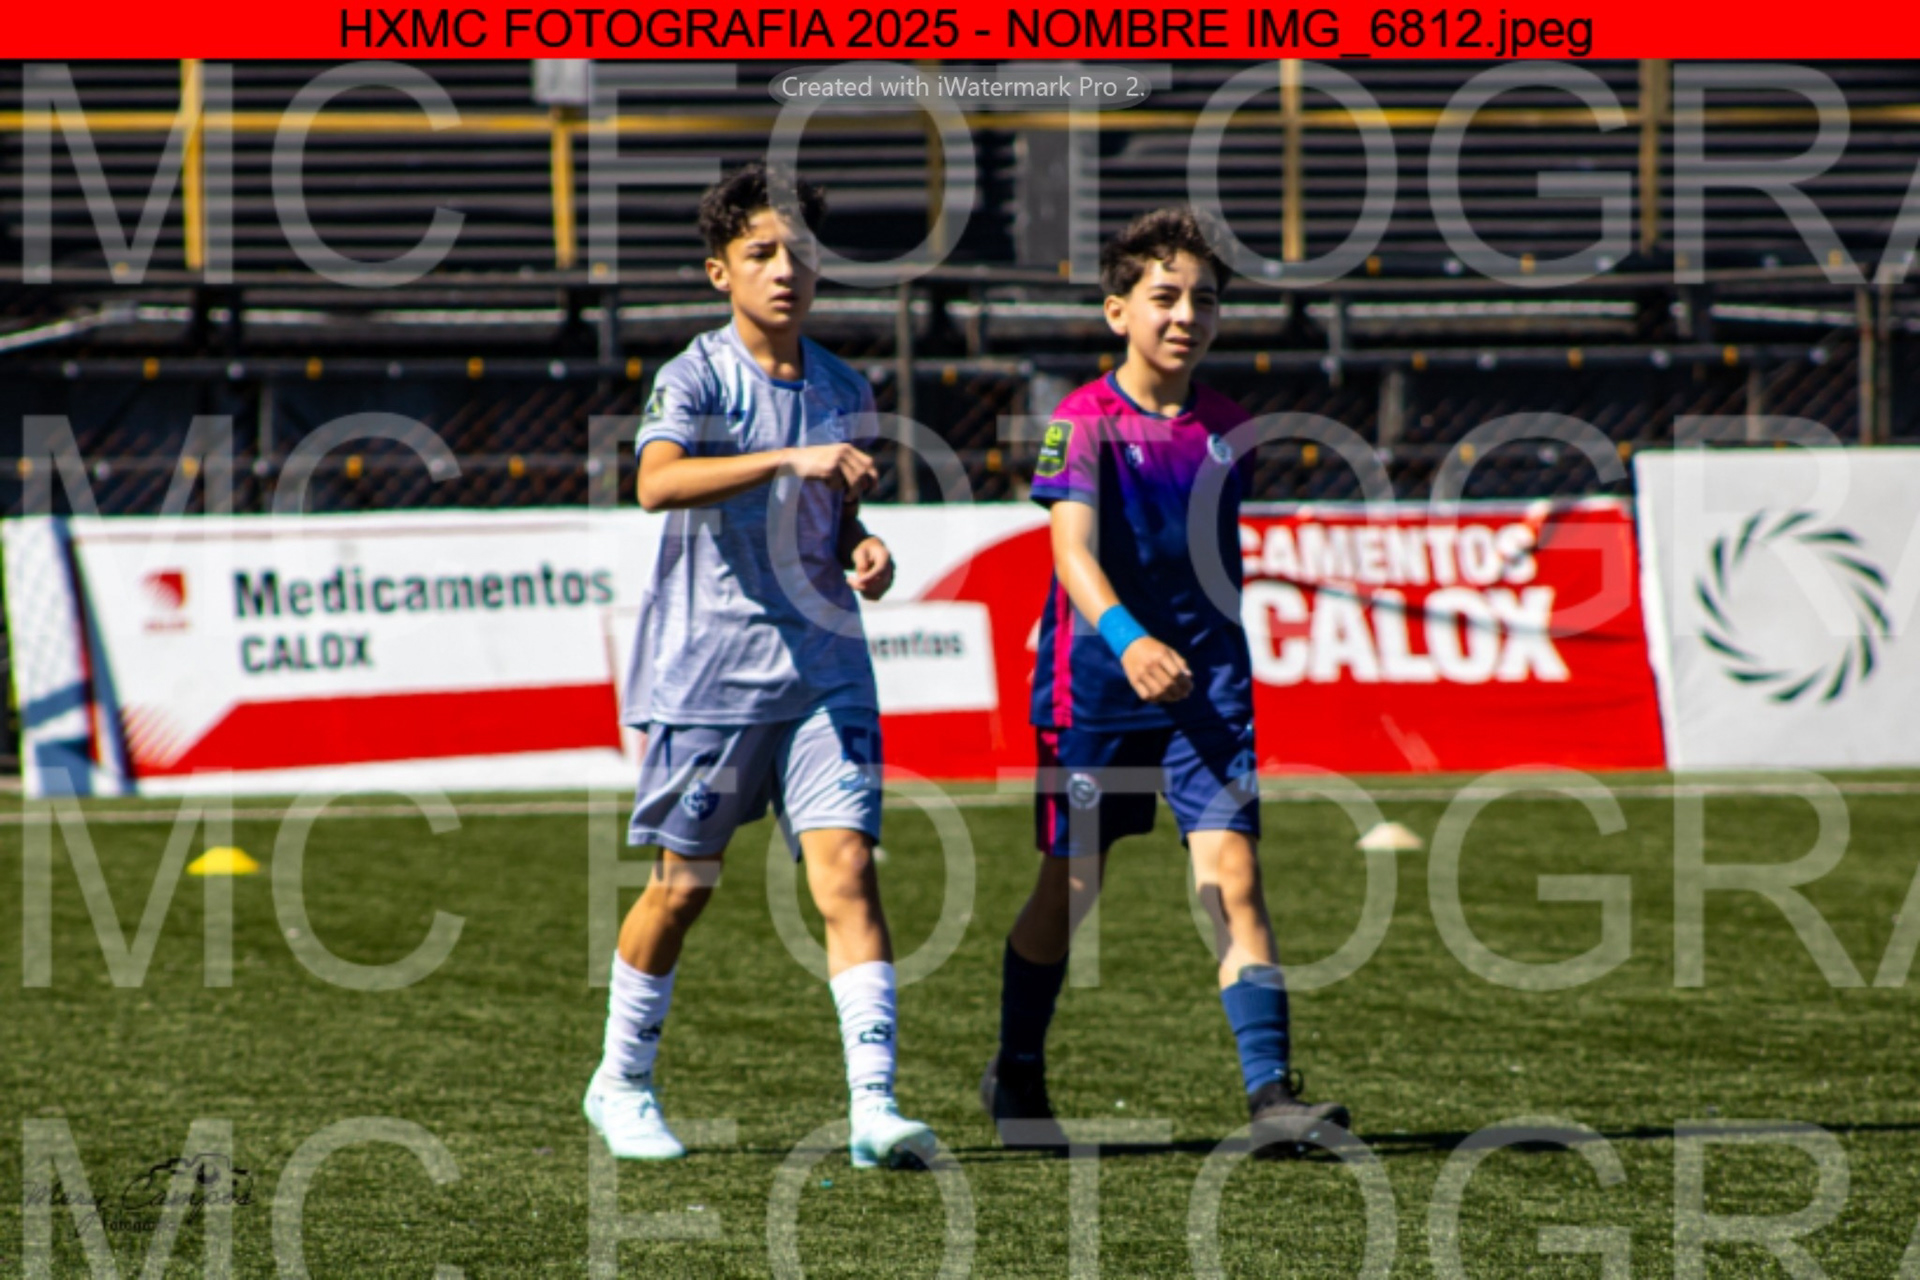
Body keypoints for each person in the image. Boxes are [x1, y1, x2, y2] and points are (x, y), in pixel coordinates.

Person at [584, 161, 937, 1171]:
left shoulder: (844, 386)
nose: (785, 270)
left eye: (800, 254)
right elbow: (656, 484)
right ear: (719, 272)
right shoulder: (694, 376)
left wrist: (864, 547)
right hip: (710, 675)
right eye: (761, 253)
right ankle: (621, 1082)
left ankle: (874, 1107)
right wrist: (788, 459)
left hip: (826, 668)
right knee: (683, 887)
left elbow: (835, 516)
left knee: (848, 871)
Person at [982, 207, 1350, 1158]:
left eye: (1206, 300)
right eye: (1166, 297)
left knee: (1233, 877)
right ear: (1118, 312)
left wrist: (1191, 651)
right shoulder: (1081, 423)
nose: (1187, 314)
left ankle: (1271, 1096)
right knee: (1071, 887)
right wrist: (1129, 639)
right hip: (1096, 690)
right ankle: (1016, 1069)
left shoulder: (1232, 428)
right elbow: (1071, 553)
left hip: (1207, 690)